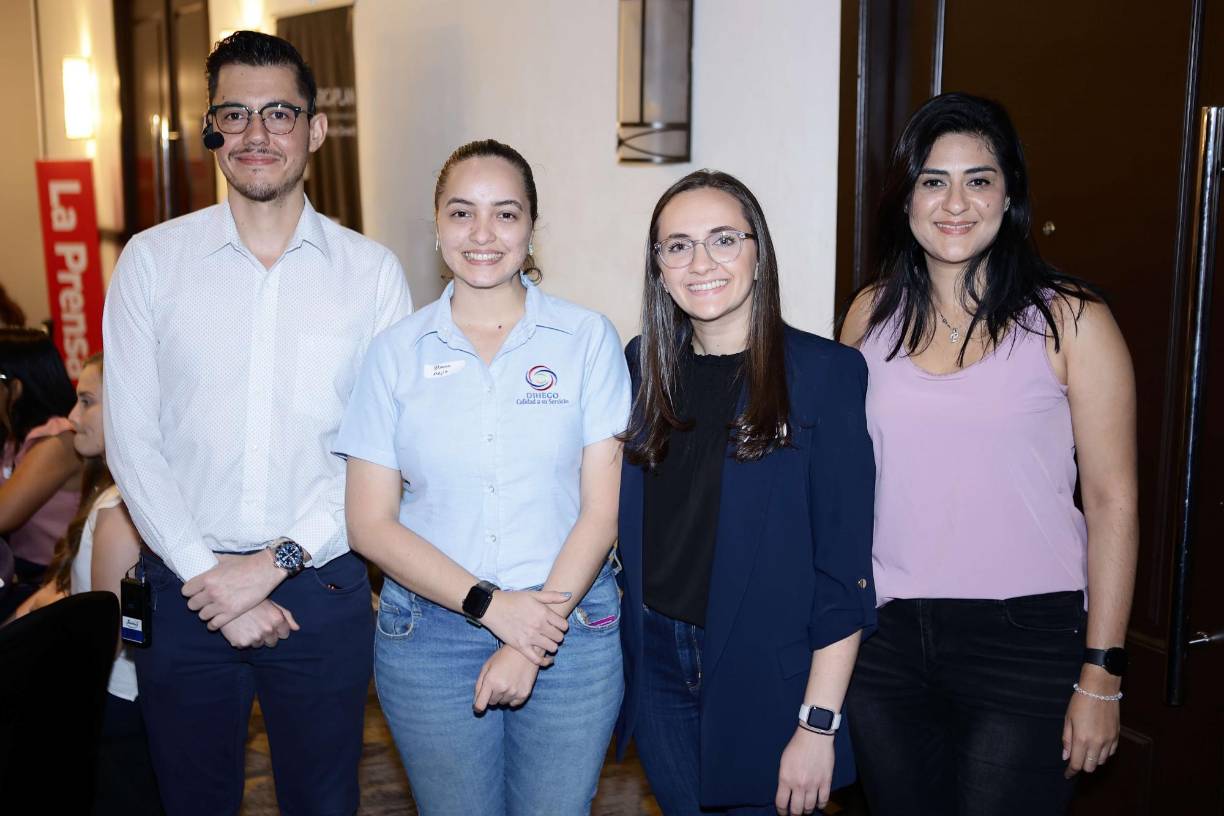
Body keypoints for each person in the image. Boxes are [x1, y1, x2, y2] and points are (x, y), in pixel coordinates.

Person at [102, 30, 412, 816]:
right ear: (211, 129)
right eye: (234, 115)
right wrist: (210, 576)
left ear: (315, 128)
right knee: (190, 802)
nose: (256, 134)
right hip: (182, 587)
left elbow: (378, 449)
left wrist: (271, 563)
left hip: (323, 585)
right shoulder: (150, 261)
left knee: (324, 803)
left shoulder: (371, 274)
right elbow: (132, 441)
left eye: (279, 113)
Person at [838, 92, 1139, 816]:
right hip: (884, 641)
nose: (955, 202)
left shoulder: (1073, 321)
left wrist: (1102, 674)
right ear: (906, 198)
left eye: (979, 179)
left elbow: (1113, 503)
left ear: (1010, 197)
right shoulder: (867, 315)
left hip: (1025, 642)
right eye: (933, 180)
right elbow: (839, 486)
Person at [337, 139, 630, 815]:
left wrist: (533, 634)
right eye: (462, 213)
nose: (483, 234)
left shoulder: (587, 340)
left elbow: (601, 509)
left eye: (505, 214)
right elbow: (369, 523)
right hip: (431, 636)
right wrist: (493, 609)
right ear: (437, 226)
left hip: (571, 628)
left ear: (531, 228)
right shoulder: (394, 355)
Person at [615, 170, 877, 815]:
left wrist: (818, 725)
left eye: (723, 240)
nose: (700, 262)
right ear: (658, 267)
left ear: (758, 252)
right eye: (676, 246)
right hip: (657, 665)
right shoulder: (641, 365)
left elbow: (843, 574)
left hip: (771, 675)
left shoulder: (824, 374)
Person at [15, 352, 162, 814]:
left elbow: (116, 630)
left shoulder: (119, 506)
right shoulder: (108, 491)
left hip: (117, 699)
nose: (73, 416)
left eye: (87, 402)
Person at [0, 328, 81, 616]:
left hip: (51, 584)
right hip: (20, 577)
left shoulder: (59, 441)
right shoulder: (14, 438)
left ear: (17, 388)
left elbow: (4, 514)